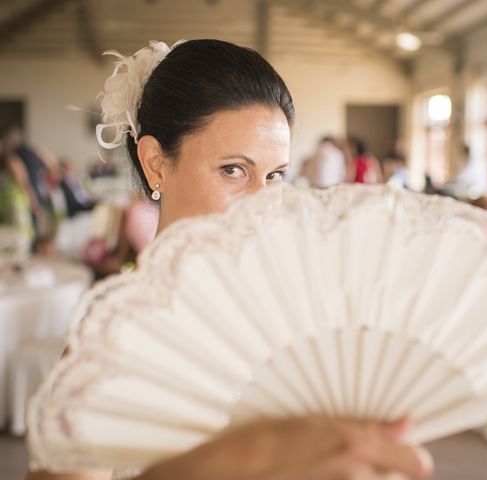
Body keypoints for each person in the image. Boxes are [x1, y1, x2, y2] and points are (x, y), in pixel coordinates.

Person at [27, 39, 433, 480]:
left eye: (276, 175)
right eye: (234, 170)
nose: (263, 203)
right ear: (156, 163)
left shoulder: (301, 311)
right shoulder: (114, 334)